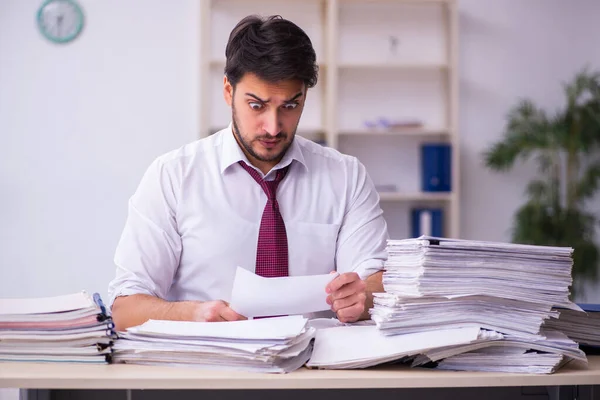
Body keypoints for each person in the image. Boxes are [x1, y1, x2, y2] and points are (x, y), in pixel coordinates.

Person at [108, 14, 389, 331]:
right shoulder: (172, 177)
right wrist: (192, 314)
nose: (273, 127)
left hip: (313, 370)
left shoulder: (345, 176)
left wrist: (361, 298)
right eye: (257, 105)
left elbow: (376, 281)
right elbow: (125, 309)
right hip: (208, 369)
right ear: (228, 91)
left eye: (290, 106)